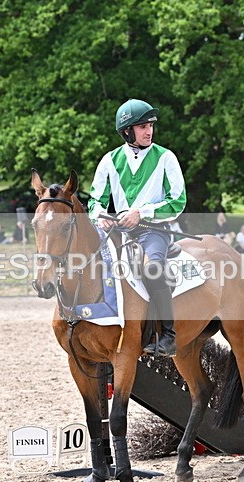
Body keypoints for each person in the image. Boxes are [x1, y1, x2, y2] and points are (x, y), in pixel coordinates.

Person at [89, 98, 186, 357]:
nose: (149, 131)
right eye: (143, 126)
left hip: (154, 230)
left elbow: (178, 201)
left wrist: (141, 213)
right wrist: (101, 215)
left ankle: (168, 336)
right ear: (127, 131)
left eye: (151, 125)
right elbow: (94, 200)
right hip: (118, 232)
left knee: (152, 268)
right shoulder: (109, 161)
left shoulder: (166, 157)